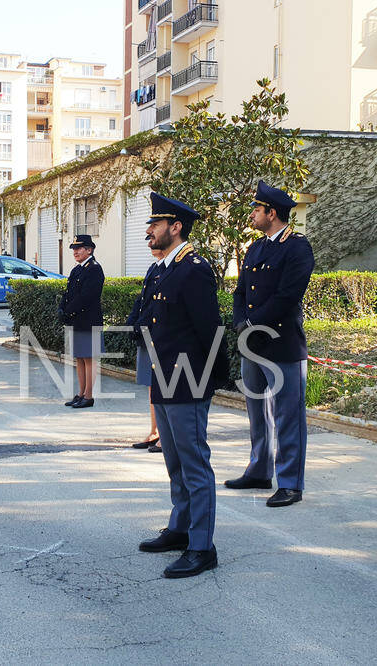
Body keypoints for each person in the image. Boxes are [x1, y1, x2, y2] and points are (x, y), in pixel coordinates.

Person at [137, 193, 228, 579]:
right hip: (164, 374)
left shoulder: (193, 269)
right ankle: (180, 526)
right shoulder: (162, 269)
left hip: (189, 378)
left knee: (194, 463)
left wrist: (213, 377)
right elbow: (146, 316)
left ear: (175, 228)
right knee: (174, 460)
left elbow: (209, 328)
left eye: (155, 225)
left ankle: (202, 545)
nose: (148, 231)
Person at [226, 181, 315, 508]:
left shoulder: (298, 248)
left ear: (272, 213)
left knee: (287, 415)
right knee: (256, 411)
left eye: (256, 209)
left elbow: (288, 296)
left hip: (282, 346)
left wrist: (252, 323)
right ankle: (260, 469)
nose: (251, 214)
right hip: (253, 344)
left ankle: (290, 483)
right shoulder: (257, 248)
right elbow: (240, 292)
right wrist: (240, 320)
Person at [126, 245, 166, 452]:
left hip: (158, 335)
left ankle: (164, 436)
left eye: (154, 238)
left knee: (161, 386)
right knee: (152, 386)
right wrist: (132, 322)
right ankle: (155, 431)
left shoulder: (170, 268)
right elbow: (142, 301)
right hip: (146, 334)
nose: (151, 243)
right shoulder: (153, 267)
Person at [59, 234, 104, 409]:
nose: (75, 252)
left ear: (89, 250)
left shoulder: (94, 269)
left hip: (89, 320)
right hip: (77, 320)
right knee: (79, 358)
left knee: (89, 359)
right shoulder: (77, 269)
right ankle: (81, 393)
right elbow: (69, 292)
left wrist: (68, 311)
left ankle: (89, 396)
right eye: (74, 249)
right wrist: (62, 308)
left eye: (79, 249)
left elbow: (87, 296)